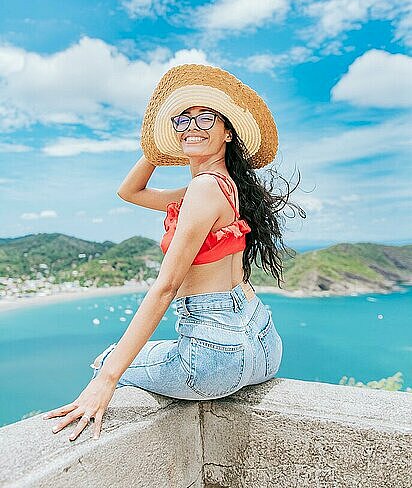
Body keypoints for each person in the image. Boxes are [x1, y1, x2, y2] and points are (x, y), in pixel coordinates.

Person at [43, 63, 304, 441]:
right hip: (263, 346)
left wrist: (107, 380)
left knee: (106, 359)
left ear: (228, 131)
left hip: (216, 360)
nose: (192, 127)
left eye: (205, 119)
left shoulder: (201, 191)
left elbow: (165, 287)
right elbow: (129, 192)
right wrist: (158, 146)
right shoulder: (222, 187)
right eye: (182, 120)